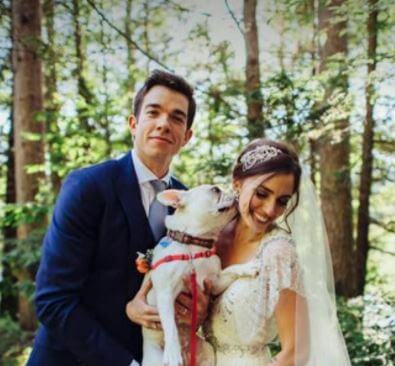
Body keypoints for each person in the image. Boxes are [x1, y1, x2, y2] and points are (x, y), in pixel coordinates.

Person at [27, 70, 209, 366]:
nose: (164, 123)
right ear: (133, 124)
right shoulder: (87, 187)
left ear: (186, 136)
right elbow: (53, 302)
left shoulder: (188, 202)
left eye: (177, 118)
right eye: (154, 112)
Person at [203, 138, 351, 365]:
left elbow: (297, 351)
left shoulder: (278, 252)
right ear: (237, 183)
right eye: (262, 194)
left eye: (282, 201)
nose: (270, 210)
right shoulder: (208, 232)